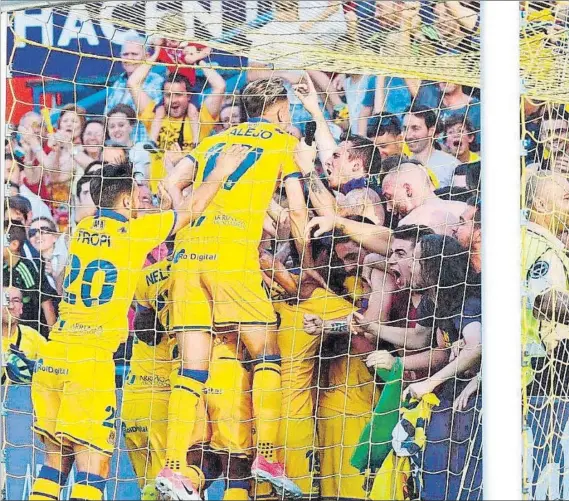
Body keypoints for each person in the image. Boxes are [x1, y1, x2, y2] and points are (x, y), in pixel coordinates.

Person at [28, 150, 245, 501]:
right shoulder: (134, 232)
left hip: (54, 355)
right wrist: (220, 171)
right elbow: (190, 211)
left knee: (54, 465)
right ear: (127, 199)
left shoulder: (81, 230)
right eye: (137, 197)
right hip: (90, 361)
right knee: (92, 469)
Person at [158, 77, 308, 500]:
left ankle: (173, 468)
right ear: (279, 108)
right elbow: (297, 212)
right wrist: (307, 254)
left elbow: (170, 184)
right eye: (289, 107)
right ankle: (267, 455)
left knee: (192, 368)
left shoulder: (212, 140)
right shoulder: (281, 140)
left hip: (186, 258)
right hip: (232, 258)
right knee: (267, 352)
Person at [104, 31, 164, 143]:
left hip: (147, 151)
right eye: (125, 54)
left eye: (134, 54)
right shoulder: (117, 84)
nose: (129, 58)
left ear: (147, 56)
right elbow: (107, 120)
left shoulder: (157, 83)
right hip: (120, 151)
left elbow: (155, 119)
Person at [2, 222, 57, 339]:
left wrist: (53, 336)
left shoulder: (26, 269)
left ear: (14, 244)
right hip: (11, 328)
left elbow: (46, 303)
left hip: (31, 330)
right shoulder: (4, 268)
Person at [382, 160, 466, 234]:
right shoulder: (464, 208)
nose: (388, 208)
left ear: (408, 190)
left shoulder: (411, 223)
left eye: (389, 197)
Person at [403, 105, 460, 188]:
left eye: (415, 128)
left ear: (431, 131)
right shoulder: (401, 166)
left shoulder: (451, 165)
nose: (408, 136)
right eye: (405, 129)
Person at [2, 286, 47, 385]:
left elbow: (51, 367)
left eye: (16, 301)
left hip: (23, 397)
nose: (11, 306)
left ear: (21, 308)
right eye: (6, 300)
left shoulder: (33, 336)